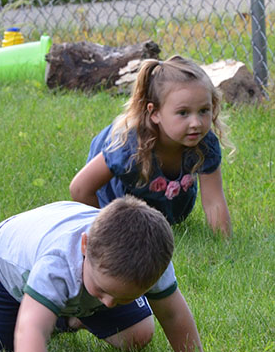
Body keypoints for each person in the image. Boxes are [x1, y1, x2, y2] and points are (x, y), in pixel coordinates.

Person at [0, 196, 205, 352]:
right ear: (86, 246)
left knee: (137, 335)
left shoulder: (151, 260)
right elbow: (30, 326)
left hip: (67, 264)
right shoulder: (57, 263)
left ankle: (63, 316)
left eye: (124, 297)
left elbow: (172, 314)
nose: (109, 303)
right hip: (5, 273)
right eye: (103, 290)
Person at [70, 55, 233, 236]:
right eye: (183, 113)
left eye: (204, 110)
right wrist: (104, 231)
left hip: (169, 210)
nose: (196, 122)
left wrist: (225, 246)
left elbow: (214, 201)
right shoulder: (129, 147)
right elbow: (80, 188)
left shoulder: (204, 142)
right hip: (116, 206)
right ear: (154, 112)